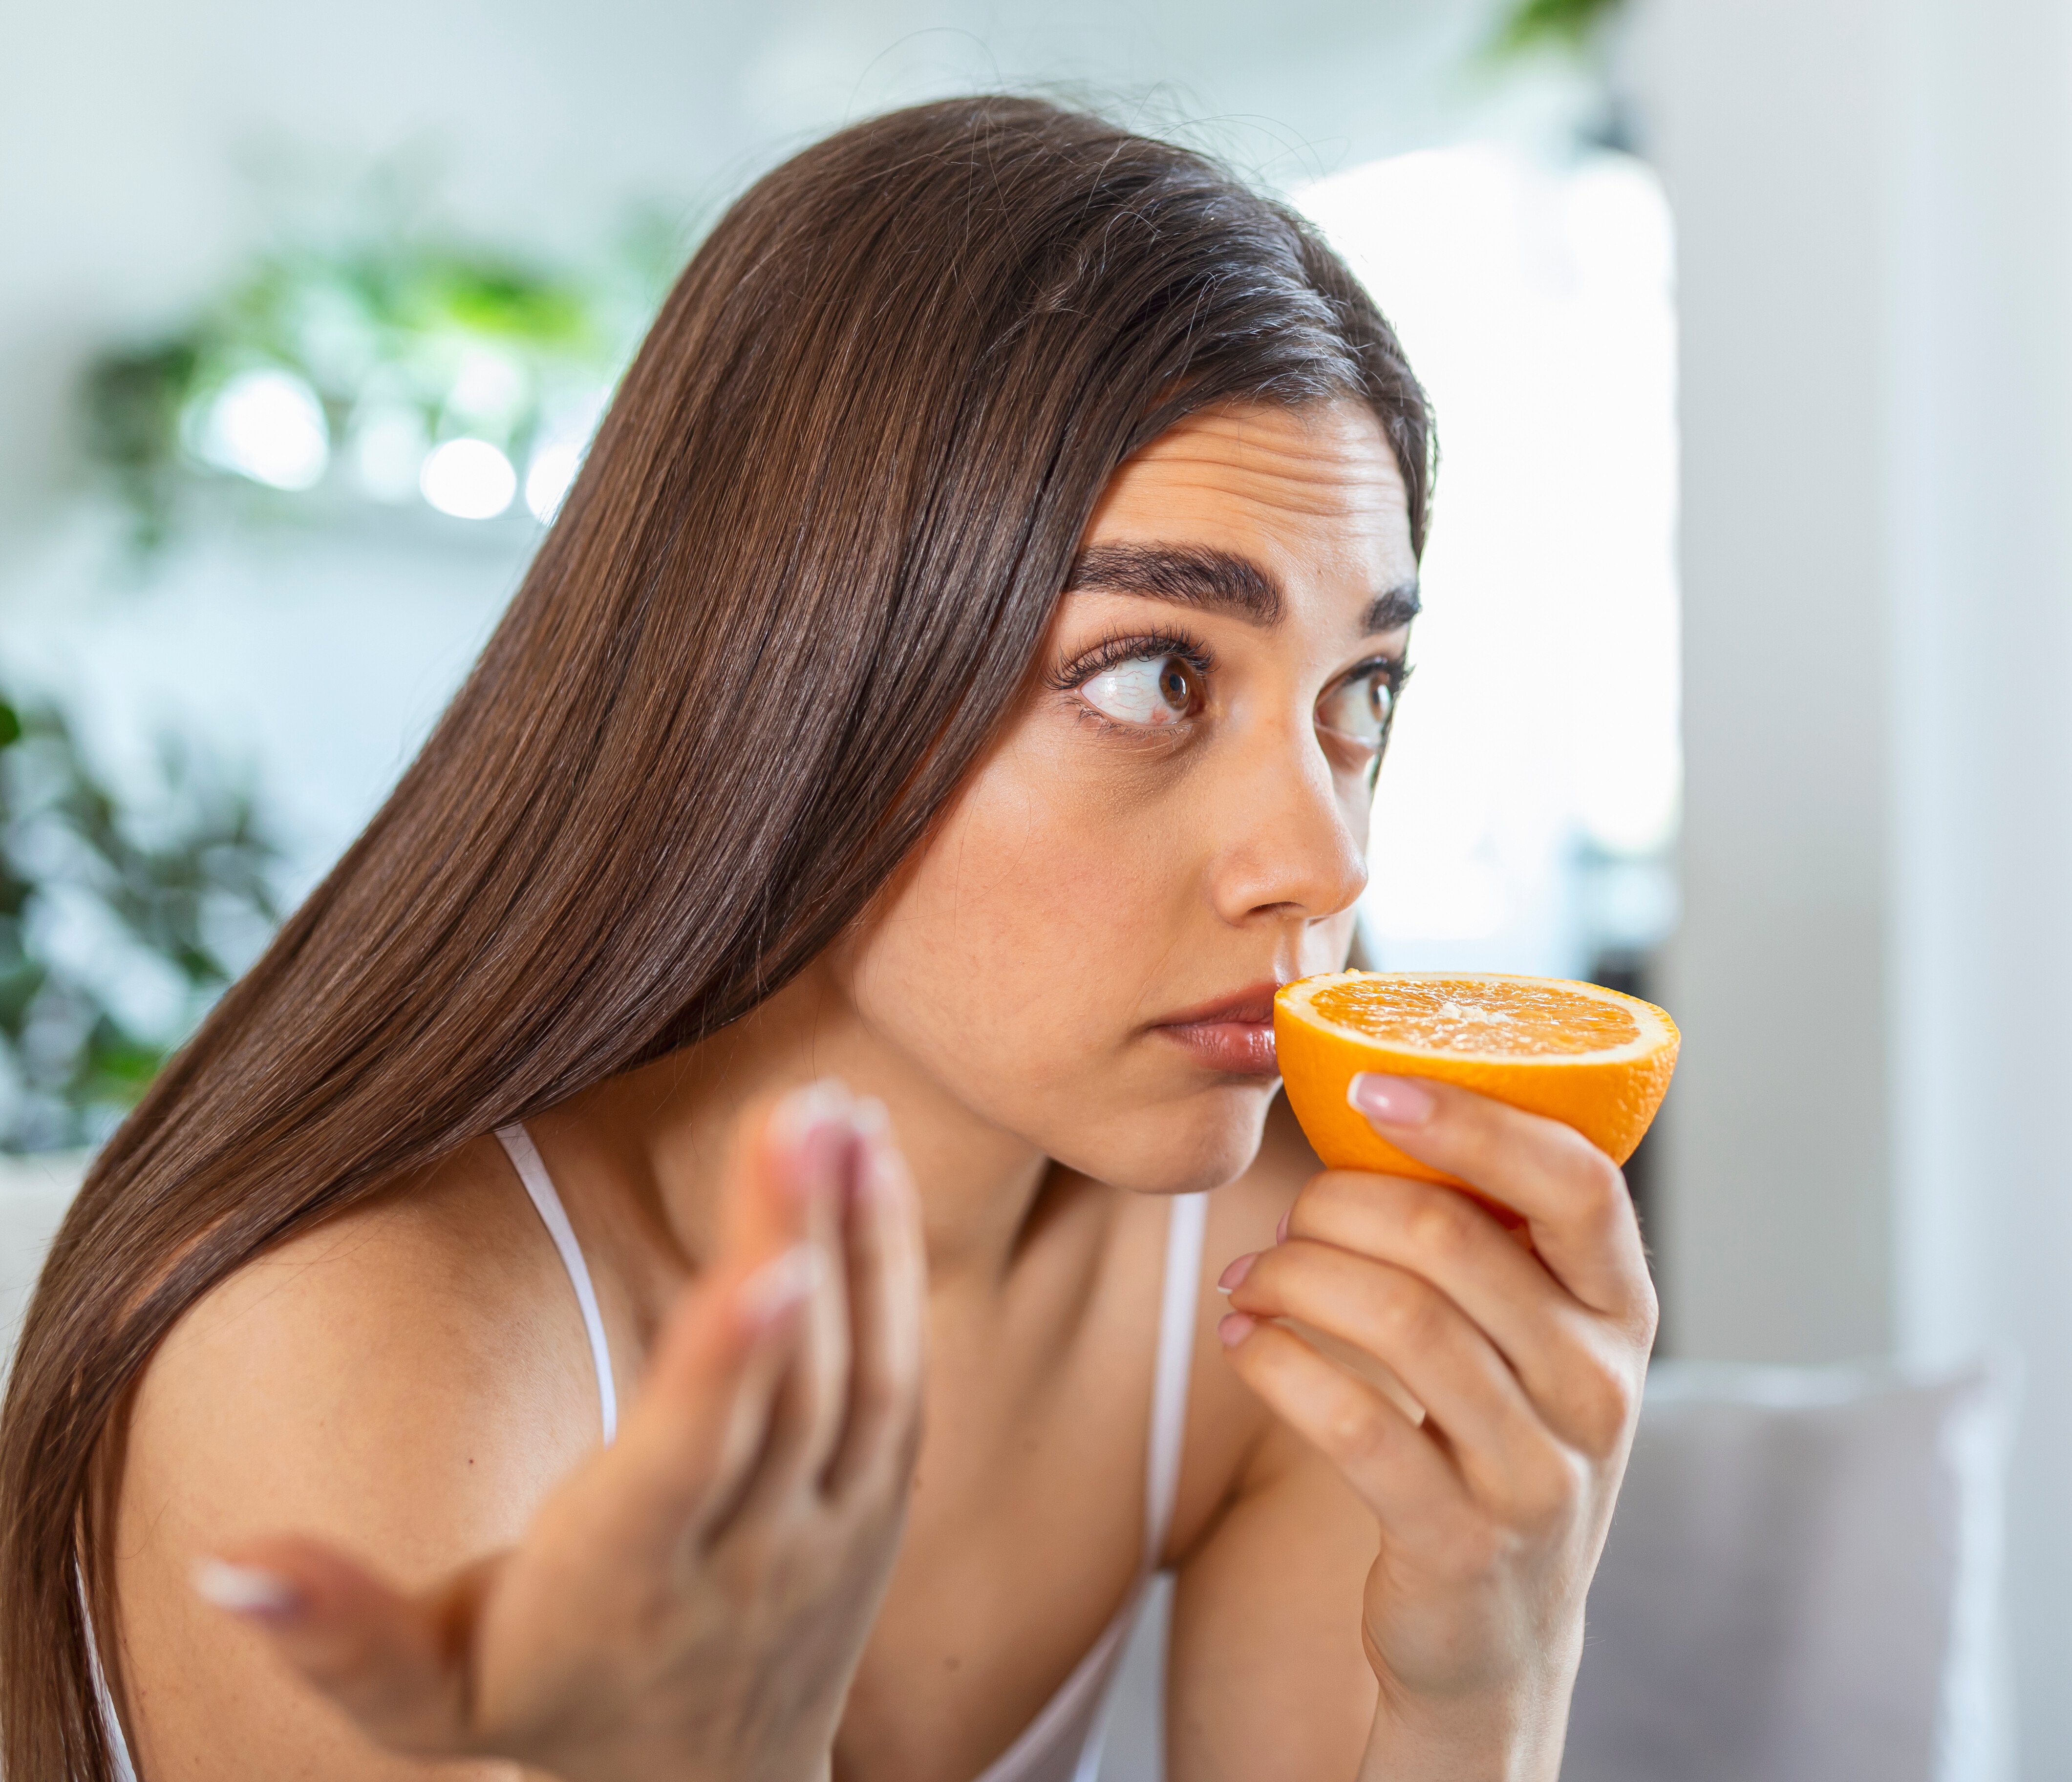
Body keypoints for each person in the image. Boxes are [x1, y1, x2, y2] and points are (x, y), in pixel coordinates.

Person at [0, 97, 1655, 1782]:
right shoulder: (360, 1351)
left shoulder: (1283, 1283)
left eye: (1358, 693)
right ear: (794, 674)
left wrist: (1487, 1678)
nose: (1322, 857)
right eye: (1156, 675)